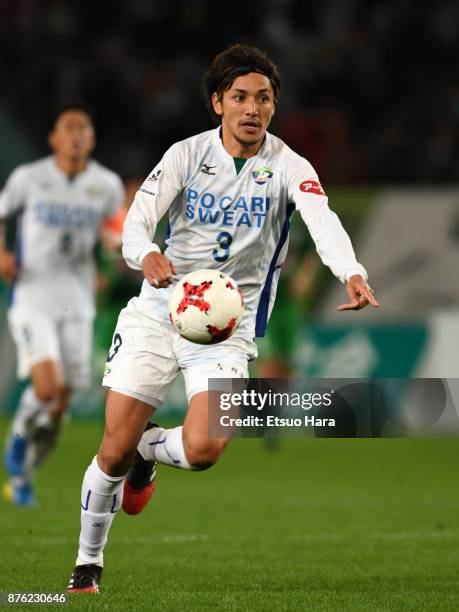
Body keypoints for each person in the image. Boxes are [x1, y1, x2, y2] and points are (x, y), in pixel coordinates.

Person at [67, 44, 379, 593]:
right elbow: (139, 220)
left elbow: (321, 219)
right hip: (159, 311)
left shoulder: (288, 165)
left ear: (274, 107)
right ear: (218, 102)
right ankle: (87, 564)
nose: (252, 108)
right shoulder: (186, 155)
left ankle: (149, 449)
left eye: (263, 98)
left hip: (225, 328)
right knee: (111, 449)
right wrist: (147, 255)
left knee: (207, 448)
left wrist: (351, 271)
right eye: (239, 97)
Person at [0, 104, 124, 506]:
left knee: (62, 404)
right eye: (68, 129)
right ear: (54, 138)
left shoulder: (105, 185)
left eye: (83, 130)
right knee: (47, 387)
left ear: (92, 139)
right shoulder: (29, 178)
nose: (76, 136)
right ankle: (17, 443)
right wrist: (2, 253)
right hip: (34, 294)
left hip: (78, 299)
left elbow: (114, 231)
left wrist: (112, 252)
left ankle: (23, 478)